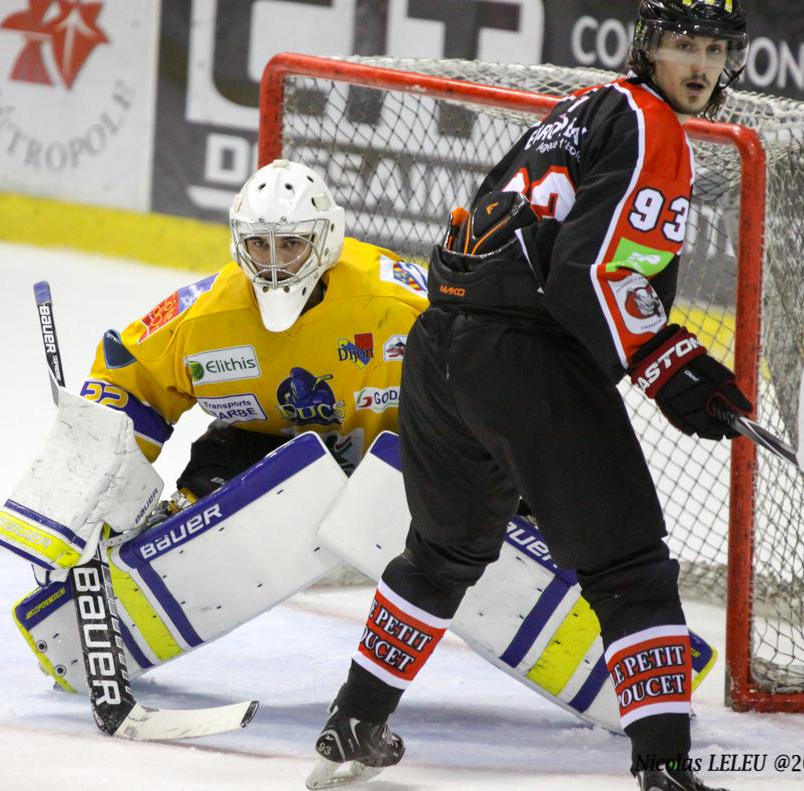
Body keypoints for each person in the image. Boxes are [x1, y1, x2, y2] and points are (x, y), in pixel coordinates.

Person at [309, 3, 751, 791]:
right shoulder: (650, 125)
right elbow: (590, 270)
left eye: (714, 49)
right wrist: (668, 361)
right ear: (648, 49)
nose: (700, 64)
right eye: (685, 44)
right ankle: (666, 769)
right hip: (522, 359)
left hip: (441, 347)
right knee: (630, 567)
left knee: (444, 553)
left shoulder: (579, 111)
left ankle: (354, 719)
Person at [80, 158, 428, 507]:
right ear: (239, 244)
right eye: (259, 243)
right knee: (212, 477)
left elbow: (473, 365)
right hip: (265, 460)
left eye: (291, 243)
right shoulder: (207, 314)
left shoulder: (395, 302)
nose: (273, 262)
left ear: (325, 240)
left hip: (396, 470)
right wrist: (87, 490)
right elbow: (127, 383)